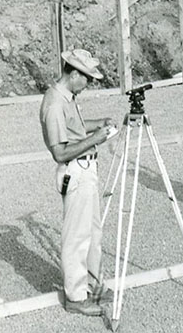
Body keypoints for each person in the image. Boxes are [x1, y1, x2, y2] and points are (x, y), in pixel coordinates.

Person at [39, 48, 115, 317]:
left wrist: (97, 125)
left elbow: (75, 129)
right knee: (77, 238)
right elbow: (59, 152)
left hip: (86, 170)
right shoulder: (55, 103)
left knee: (93, 233)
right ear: (73, 74)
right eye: (88, 78)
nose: (89, 84)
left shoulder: (67, 97)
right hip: (75, 171)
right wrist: (96, 139)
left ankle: (92, 285)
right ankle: (75, 296)